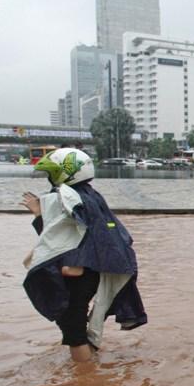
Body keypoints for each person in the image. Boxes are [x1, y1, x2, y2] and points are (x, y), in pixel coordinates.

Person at [21, 148, 147, 362]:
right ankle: (89, 375)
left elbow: (65, 236)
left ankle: (87, 379)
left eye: (52, 173)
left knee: (74, 334)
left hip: (79, 275)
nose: (50, 178)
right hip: (91, 272)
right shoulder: (89, 195)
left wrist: (40, 215)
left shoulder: (70, 199)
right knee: (77, 327)